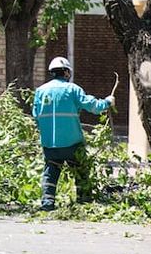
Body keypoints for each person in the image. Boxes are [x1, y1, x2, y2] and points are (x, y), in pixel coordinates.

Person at [32, 56, 115, 211]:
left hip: (49, 143)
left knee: (50, 172)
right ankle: (84, 202)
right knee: (81, 170)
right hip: (72, 142)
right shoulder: (73, 89)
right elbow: (94, 107)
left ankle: (47, 203)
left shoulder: (40, 91)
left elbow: (36, 115)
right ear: (66, 72)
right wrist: (107, 102)